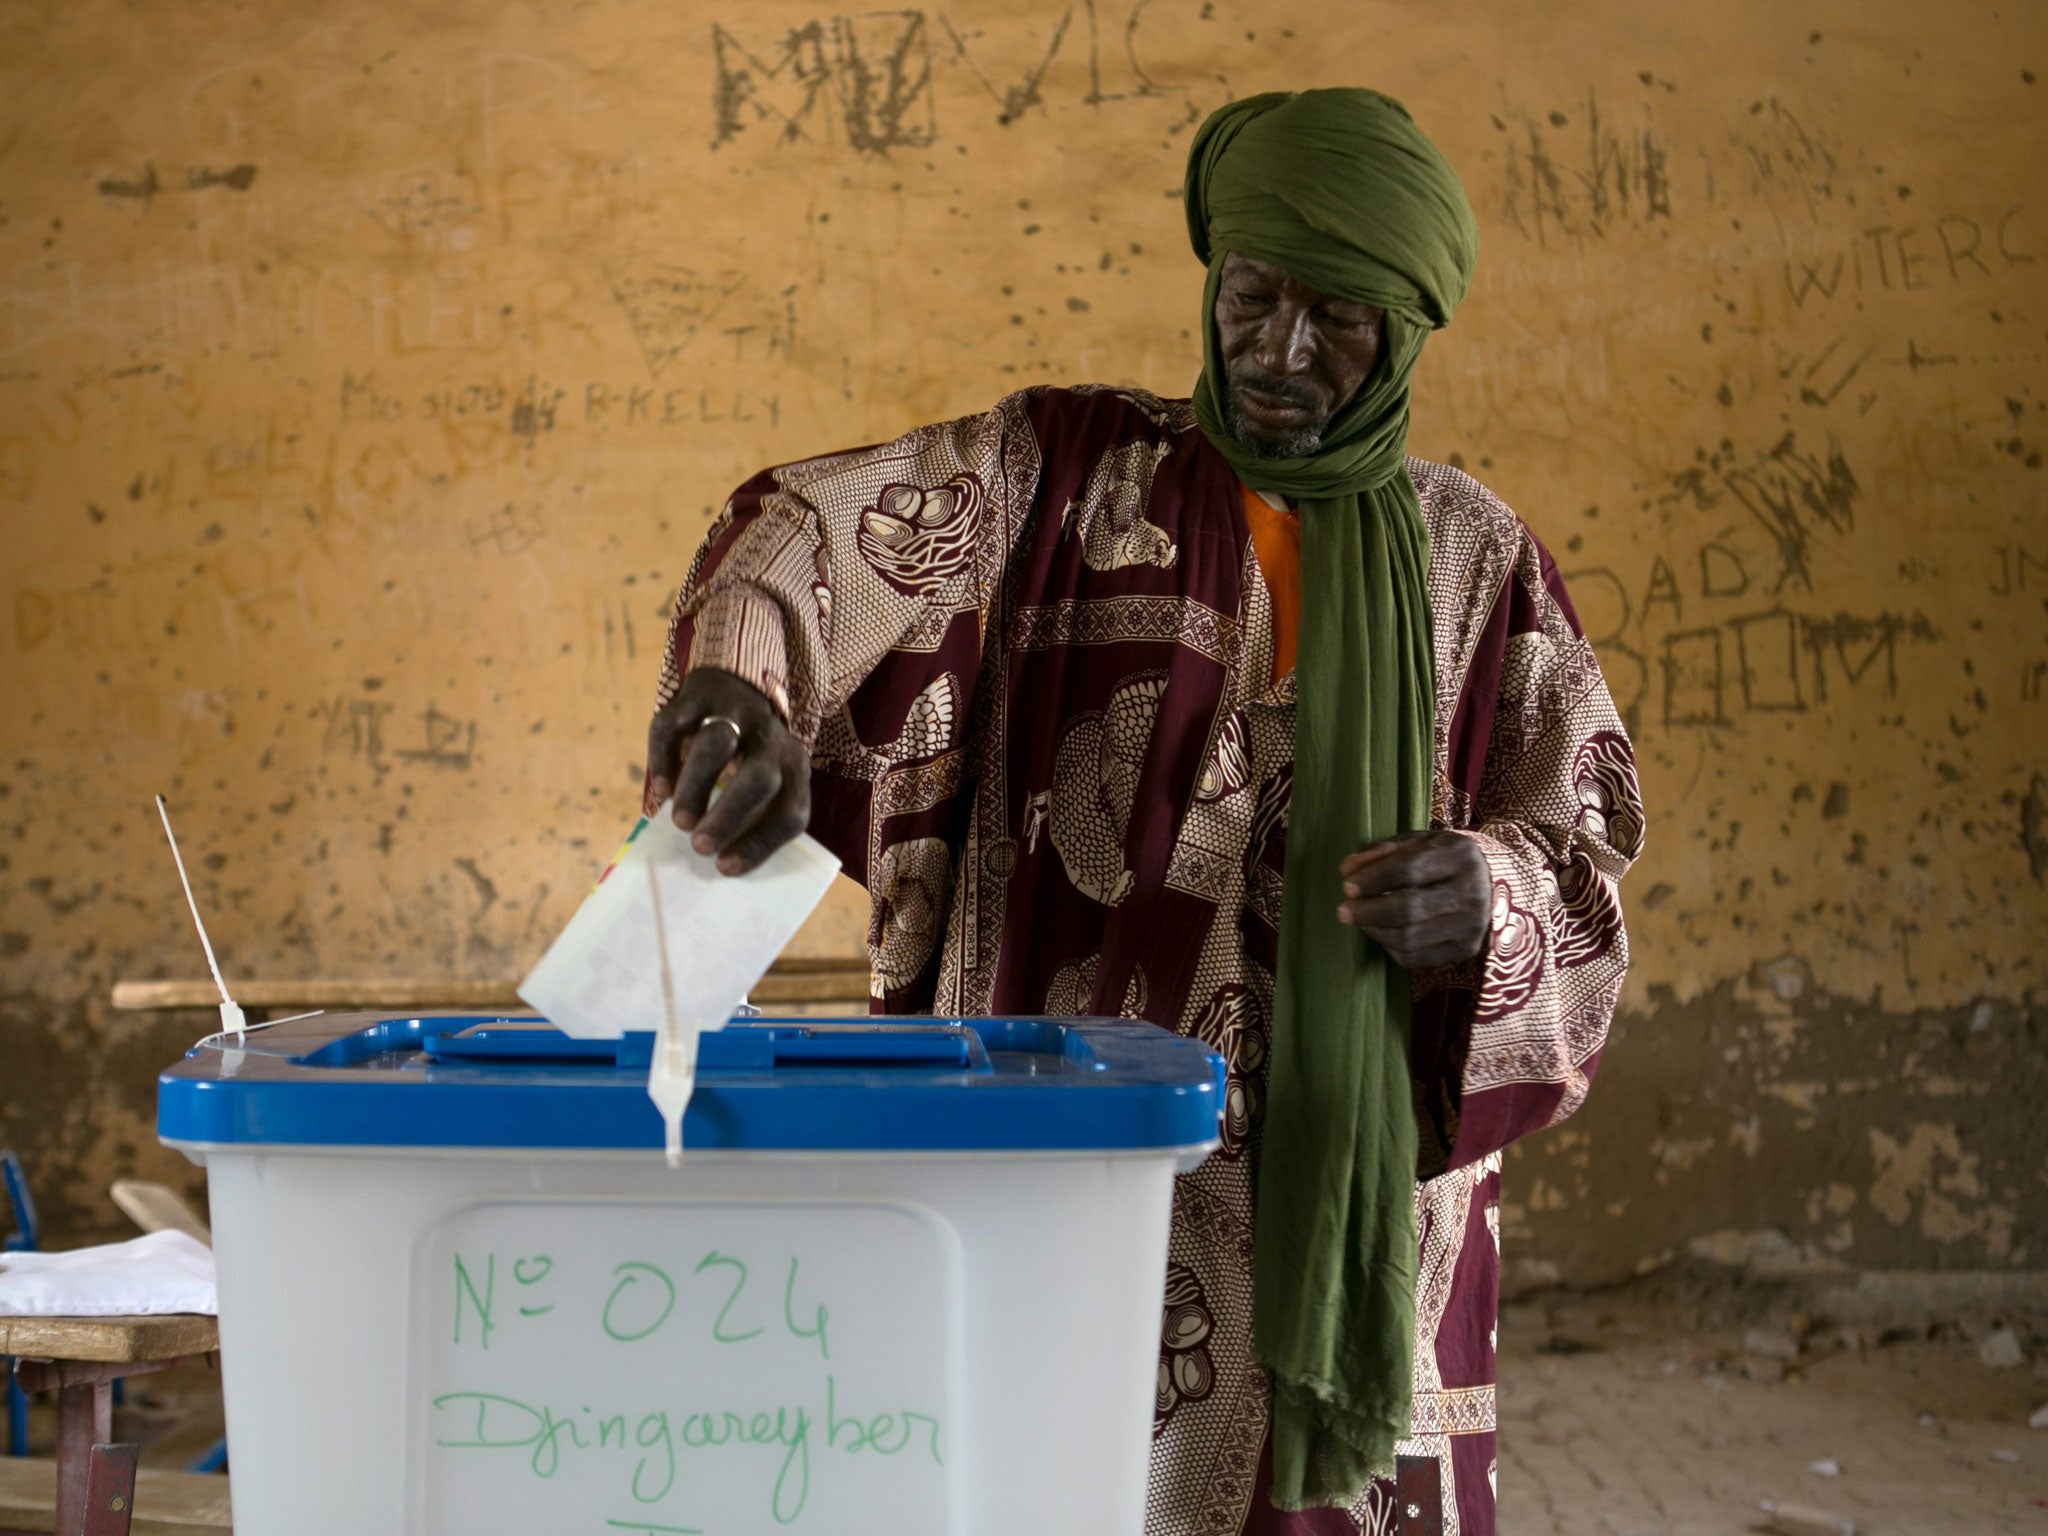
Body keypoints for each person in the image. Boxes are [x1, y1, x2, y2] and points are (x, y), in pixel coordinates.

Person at [642, 88, 1642, 1536]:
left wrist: (1489, 897)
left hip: (1341, 1223)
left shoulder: (1477, 561)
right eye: (1253, 298)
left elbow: (1581, 848)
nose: (1284, 353)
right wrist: (736, 689)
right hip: (1057, 1169)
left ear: (1408, 332)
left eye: (1340, 321)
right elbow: (805, 536)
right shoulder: (1050, 480)